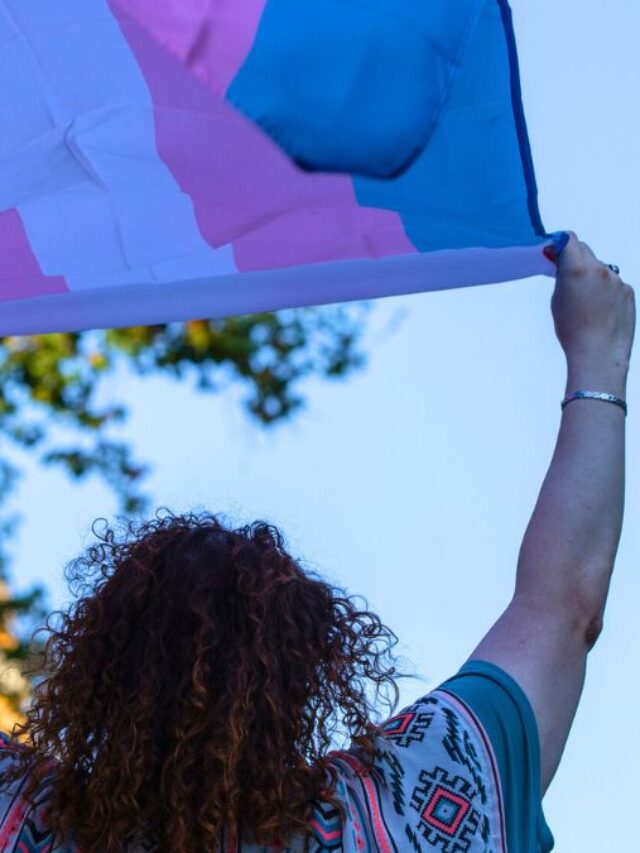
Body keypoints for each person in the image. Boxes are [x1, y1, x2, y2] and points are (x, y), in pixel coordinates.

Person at [0, 232, 634, 852]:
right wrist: (598, 356)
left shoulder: (20, 817)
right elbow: (561, 608)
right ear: (304, 677)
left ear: (96, 667)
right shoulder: (407, 810)